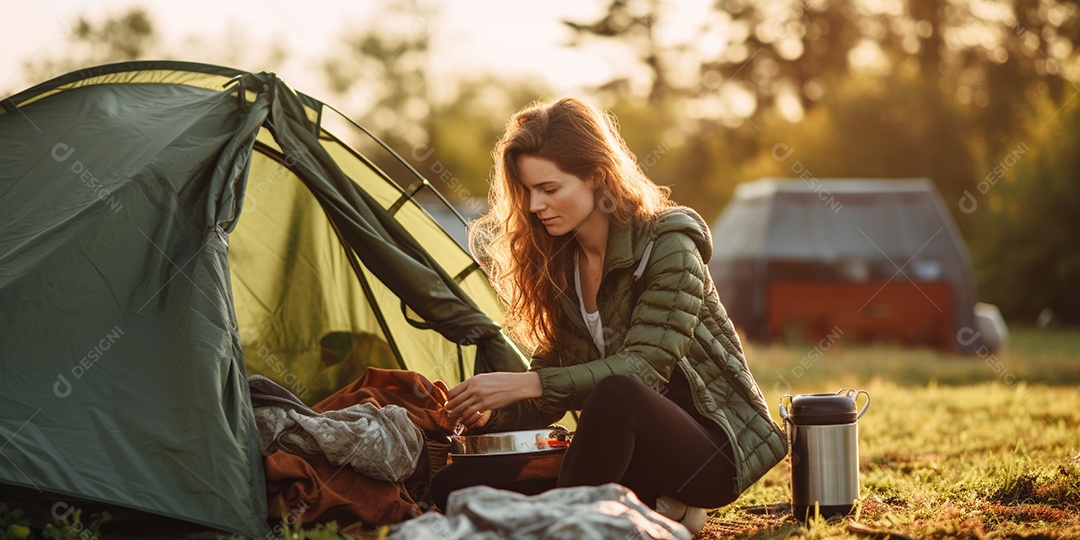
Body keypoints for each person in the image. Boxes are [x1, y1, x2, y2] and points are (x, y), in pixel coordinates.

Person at [436, 98, 786, 532]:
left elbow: (644, 369)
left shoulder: (669, 245)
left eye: (549, 189)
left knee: (617, 393)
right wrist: (492, 414)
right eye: (527, 191)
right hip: (622, 454)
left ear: (597, 178)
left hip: (711, 455)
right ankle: (651, 505)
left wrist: (523, 383)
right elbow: (549, 389)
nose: (533, 206)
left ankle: (581, 522)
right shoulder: (560, 265)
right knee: (456, 486)